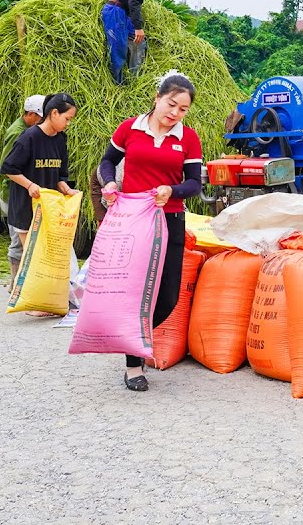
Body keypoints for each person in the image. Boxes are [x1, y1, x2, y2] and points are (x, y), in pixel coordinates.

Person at [98, 72, 201, 391]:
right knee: (134, 292)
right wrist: (110, 182)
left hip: (169, 221)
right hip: (132, 221)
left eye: (182, 109)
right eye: (171, 104)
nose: (175, 113)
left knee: (168, 296)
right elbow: (107, 162)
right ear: (157, 98)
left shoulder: (188, 138)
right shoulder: (130, 128)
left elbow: (194, 184)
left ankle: (131, 338)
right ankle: (133, 363)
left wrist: (172, 190)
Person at [0, 94, 78, 293]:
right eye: (67, 118)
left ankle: (47, 297)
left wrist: (67, 189)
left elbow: (61, 175)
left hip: (48, 209)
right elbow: (9, 168)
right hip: (26, 207)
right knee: (33, 256)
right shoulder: (29, 137)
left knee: (48, 256)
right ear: (53, 113)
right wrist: (29, 185)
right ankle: (30, 298)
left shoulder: (60, 139)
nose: (68, 123)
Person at [102, 0, 175, 84]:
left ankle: (134, 80)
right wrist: (138, 27)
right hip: (115, 13)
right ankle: (116, 85)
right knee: (118, 51)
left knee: (140, 43)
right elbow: (134, 2)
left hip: (123, 12)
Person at [0, 94, 45, 282]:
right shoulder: (18, 133)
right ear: (31, 114)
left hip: (25, 192)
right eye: (41, 118)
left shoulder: (30, 131)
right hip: (13, 194)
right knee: (18, 239)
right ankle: (15, 282)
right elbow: (6, 166)